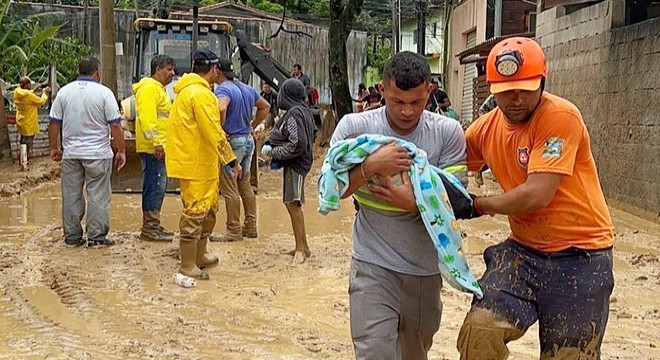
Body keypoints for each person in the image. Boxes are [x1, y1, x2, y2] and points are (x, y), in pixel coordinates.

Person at [458, 37, 615, 359]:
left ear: (542, 82)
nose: (516, 99)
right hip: (523, 252)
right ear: (492, 89)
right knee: (481, 329)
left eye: (525, 88)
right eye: (505, 90)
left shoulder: (560, 117)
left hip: (581, 256)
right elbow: (445, 170)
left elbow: (537, 194)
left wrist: (478, 204)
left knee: (570, 355)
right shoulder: (483, 130)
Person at [330, 51, 468, 360]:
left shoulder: (447, 133)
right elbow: (332, 189)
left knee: (415, 352)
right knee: (374, 352)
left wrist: (415, 203)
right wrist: (370, 166)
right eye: (397, 101)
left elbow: (458, 202)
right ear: (382, 91)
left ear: (429, 91)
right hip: (372, 262)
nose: (407, 112)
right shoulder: (355, 128)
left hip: (424, 270)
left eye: (416, 102)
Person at [166, 49, 239, 280]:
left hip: (197, 162)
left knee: (207, 210)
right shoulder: (201, 95)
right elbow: (213, 131)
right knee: (195, 213)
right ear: (214, 69)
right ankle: (187, 264)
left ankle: (199, 255)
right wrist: (231, 160)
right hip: (196, 164)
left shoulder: (186, 92)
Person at [47, 57, 126, 248]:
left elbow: (53, 124)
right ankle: (96, 238)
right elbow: (115, 126)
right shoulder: (104, 93)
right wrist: (121, 150)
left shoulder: (64, 92)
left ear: (78, 70)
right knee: (98, 195)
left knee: (71, 194)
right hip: (98, 154)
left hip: (71, 154)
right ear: (97, 72)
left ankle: (72, 237)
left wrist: (54, 148)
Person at [211, 58, 270, 242]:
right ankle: (250, 226)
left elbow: (221, 107)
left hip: (233, 142)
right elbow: (265, 107)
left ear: (218, 72)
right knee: (244, 184)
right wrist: (252, 125)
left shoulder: (223, 89)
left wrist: (220, 129)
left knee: (229, 188)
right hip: (248, 141)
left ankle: (233, 230)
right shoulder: (247, 88)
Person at [260, 79, 316, 264]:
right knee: (292, 203)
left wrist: (274, 152)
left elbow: (297, 142)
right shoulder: (304, 110)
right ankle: (303, 246)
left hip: (297, 163)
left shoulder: (294, 113)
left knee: (293, 203)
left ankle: (301, 249)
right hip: (300, 162)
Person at [133, 54, 176, 242]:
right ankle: (149, 228)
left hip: (159, 147)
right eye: (168, 69)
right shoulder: (149, 88)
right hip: (154, 148)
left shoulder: (158, 89)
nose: (172, 73)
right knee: (154, 186)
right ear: (157, 69)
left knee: (158, 186)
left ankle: (154, 225)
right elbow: (147, 118)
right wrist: (157, 142)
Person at [13, 76, 51, 159]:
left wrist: (33, 90)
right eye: (30, 84)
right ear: (26, 85)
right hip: (29, 123)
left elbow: (26, 95)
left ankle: (22, 160)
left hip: (21, 121)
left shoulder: (17, 92)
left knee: (23, 142)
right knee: (28, 144)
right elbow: (41, 102)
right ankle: (24, 162)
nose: (31, 86)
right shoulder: (29, 95)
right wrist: (45, 93)